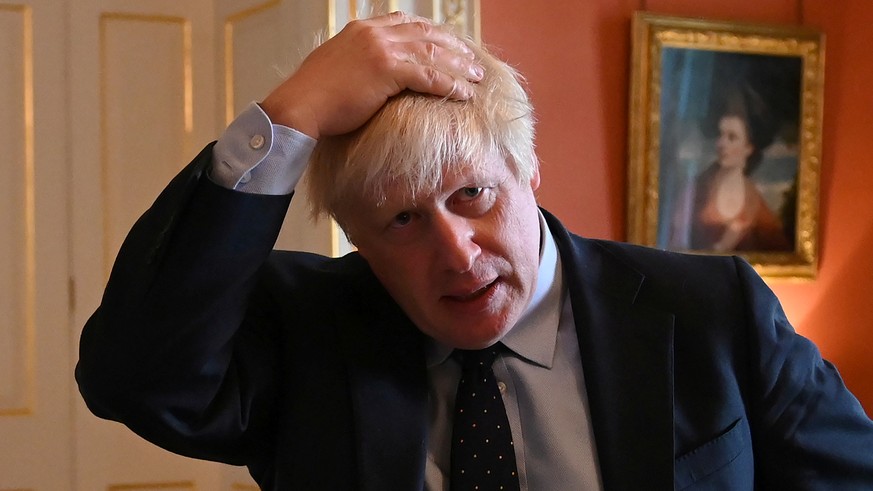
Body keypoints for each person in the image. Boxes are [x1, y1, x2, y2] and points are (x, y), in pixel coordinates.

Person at [76, 12, 873, 490]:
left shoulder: (711, 311)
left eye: (472, 196)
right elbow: (134, 378)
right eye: (402, 222)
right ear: (355, 236)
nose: (456, 256)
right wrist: (293, 111)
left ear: (527, 169)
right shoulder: (305, 331)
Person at [669, 93, 792, 252]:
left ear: (748, 148)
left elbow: (779, 252)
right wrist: (723, 246)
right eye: (720, 135)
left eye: (731, 137)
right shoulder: (696, 190)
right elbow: (674, 248)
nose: (721, 143)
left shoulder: (755, 204)